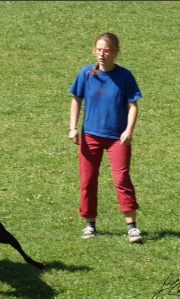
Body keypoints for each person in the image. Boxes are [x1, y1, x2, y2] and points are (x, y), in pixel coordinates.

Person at [68, 33, 143, 243]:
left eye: (107, 50)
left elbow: (133, 105)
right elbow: (76, 100)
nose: (102, 54)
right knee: (88, 181)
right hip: (90, 136)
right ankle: (90, 225)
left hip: (117, 138)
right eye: (99, 49)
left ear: (115, 52)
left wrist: (128, 130)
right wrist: (73, 128)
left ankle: (132, 227)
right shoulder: (86, 73)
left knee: (121, 179)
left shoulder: (125, 76)